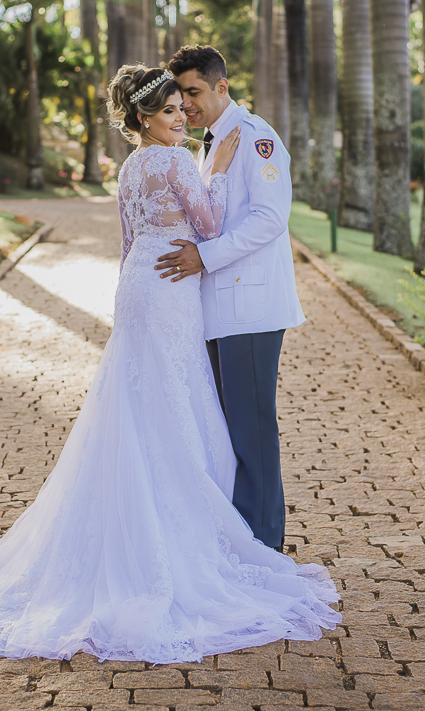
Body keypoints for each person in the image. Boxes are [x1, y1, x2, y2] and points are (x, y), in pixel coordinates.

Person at [0, 64, 340, 664]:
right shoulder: (183, 159)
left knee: (138, 401)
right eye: (169, 109)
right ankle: (196, 537)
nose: (181, 115)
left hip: (139, 288)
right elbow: (209, 224)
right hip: (172, 289)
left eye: (183, 104)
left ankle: (164, 527)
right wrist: (210, 172)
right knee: (178, 401)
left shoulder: (131, 167)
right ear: (143, 117)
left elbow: (129, 241)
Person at [157, 45, 302, 553]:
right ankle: (244, 539)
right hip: (220, 311)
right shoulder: (210, 144)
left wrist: (204, 257)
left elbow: (270, 218)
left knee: (252, 427)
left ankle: (265, 544)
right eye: (181, 96)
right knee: (229, 430)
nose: (188, 105)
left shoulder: (256, 138)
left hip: (251, 311)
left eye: (194, 93)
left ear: (222, 87)